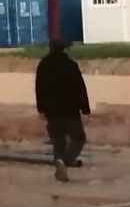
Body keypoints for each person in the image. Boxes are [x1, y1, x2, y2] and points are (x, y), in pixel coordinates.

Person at [35, 39, 91, 182]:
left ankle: (60, 171)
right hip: (70, 109)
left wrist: (41, 108)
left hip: (51, 111)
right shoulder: (70, 65)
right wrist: (85, 109)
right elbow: (80, 88)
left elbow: (39, 88)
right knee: (78, 138)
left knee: (58, 141)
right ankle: (64, 161)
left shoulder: (43, 65)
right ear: (65, 49)